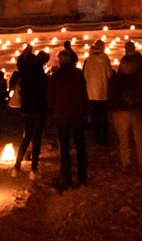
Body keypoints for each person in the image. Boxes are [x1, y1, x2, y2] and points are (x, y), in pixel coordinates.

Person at [45, 48, 89, 190]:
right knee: (80, 146)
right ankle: (83, 178)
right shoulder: (78, 74)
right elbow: (84, 93)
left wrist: (54, 107)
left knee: (64, 149)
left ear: (59, 61)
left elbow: (50, 98)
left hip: (61, 114)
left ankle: (67, 181)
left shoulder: (55, 77)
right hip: (77, 113)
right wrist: (86, 110)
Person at [108, 54, 142, 172]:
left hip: (123, 112)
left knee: (125, 140)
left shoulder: (116, 80)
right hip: (134, 111)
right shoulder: (137, 79)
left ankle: (128, 163)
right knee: (137, 139)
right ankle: (141, 163)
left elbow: (112, 96)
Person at [13, 47, 48, 175]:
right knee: (36, 138)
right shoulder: (43, 77)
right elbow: (46, 94)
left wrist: (26, 51)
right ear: (44, 63)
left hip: (27, 108)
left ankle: (17, 165)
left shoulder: (27, 71)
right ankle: (34, 167)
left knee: (27, 136)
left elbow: (19, 61)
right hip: (38, 110)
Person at [83, 39, 113, 145]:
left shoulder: (89, 59)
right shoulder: (105, 58)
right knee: (103, 116)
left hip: (91, 93)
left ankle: (97, 138)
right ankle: (105, 138)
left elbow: (85, 76)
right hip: (102, 92)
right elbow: (109, 74)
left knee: (95, 116)